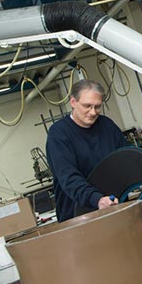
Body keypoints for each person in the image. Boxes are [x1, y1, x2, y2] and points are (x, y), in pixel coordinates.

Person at [46, 79, 127, 221]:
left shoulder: (107, 126)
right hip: (77, 217)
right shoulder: (59, 134)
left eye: (97, 107)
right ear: (73, 102)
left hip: (113, 208)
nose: (93, 112)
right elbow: (69, 178)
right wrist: (97, 199)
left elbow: (127, 157)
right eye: (87, 106)